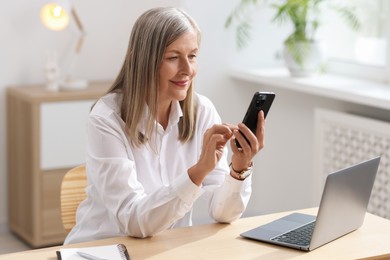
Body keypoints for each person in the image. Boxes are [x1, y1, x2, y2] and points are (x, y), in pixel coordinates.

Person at [64, 6, 265, 245]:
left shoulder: (202, 111)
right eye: (173, 58)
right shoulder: (107, 119)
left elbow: (223, 213)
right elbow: (135, 221)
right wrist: (198, 171)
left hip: (164, 248)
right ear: (144, 61)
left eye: (192, 56)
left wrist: (239, 169)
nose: (188, 70)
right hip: (102, 248)